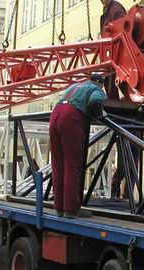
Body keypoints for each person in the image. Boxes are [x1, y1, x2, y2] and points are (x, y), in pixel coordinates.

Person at [49, 74, 107, 219]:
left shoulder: (74, 86)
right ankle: (71, 209)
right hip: (71, 118)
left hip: (55, 115)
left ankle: (59, 208)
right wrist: (100, 114)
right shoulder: (96, 89)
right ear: (100, 84)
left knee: (58, 164)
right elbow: (95, 101)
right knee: (72, 165)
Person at [100, 0, 127, 100]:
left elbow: (123, 28)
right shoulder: (109, 9)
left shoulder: (115, 8)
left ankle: (114, 102)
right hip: (111, 52)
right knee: (109, 79)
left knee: (112, 79)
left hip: (115, 52)